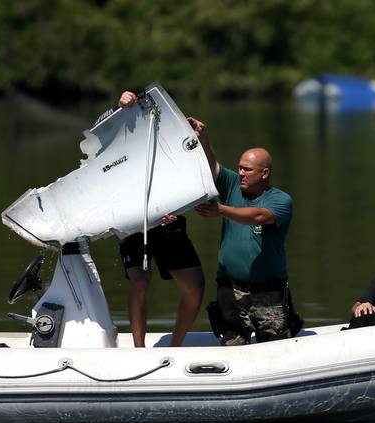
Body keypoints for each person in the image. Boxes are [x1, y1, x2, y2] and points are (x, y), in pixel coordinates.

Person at [188, 116, 302, 346]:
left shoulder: (280, 200)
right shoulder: (232, 186)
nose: (241, 173)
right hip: (230, 286)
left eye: (247, 170)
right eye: (240, 167)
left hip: (267, 288)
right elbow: (212, 166)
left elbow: (259, 216)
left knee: (273, 345)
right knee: (232, 342)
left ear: (265, 173)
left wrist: (221, 210)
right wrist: (203, 138)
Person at [109, 91, 205, 347]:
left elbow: (192, 175)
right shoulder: (122, 129)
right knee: (140, 282)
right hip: (132, 219)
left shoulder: (171, 132)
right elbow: (98, 132)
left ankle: (176, 345)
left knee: (195, 287)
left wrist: (198, 140)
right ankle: (139, 349)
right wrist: (118, 106)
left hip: (166, 218)